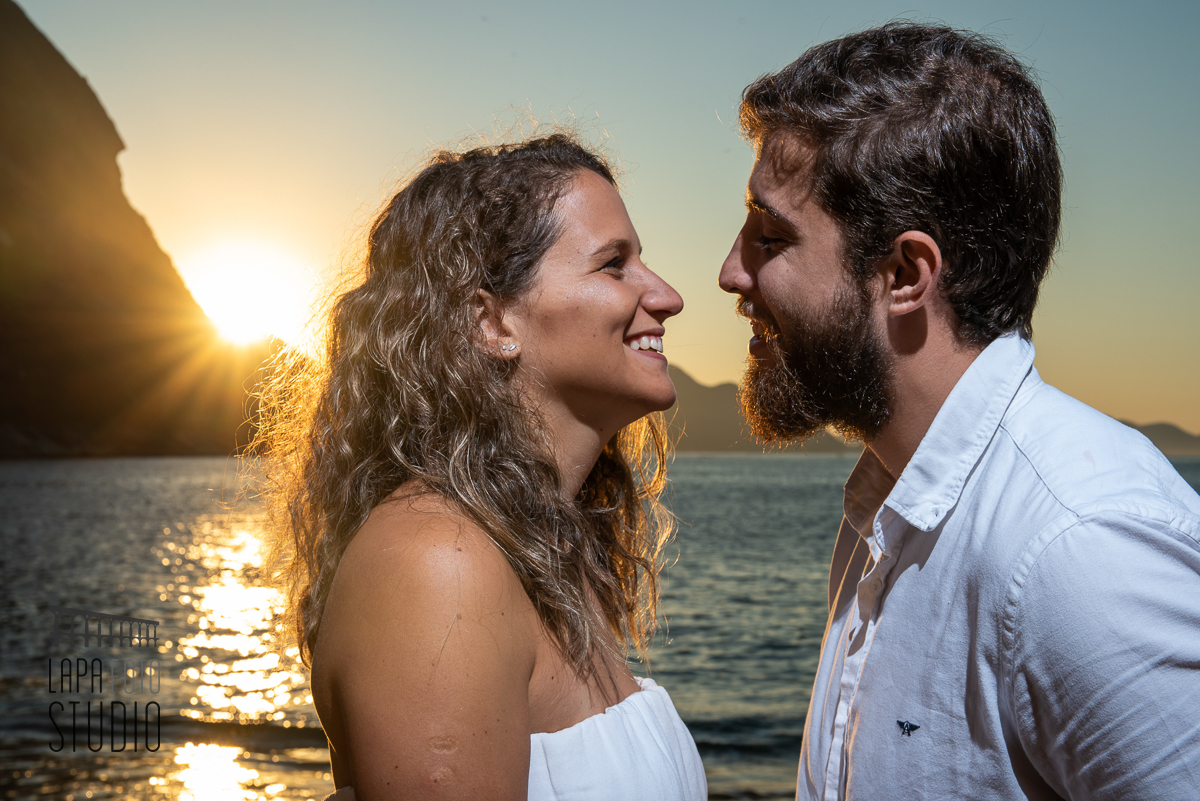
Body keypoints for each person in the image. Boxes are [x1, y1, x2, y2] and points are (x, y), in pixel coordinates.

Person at [718, 22, 1200, 800]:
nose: (730, 270)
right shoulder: (884, 508)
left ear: (906, 272)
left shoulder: (1078, 551)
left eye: (771, 235)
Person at [260, 133, 707, 800]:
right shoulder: (436, 561)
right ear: (491, 321)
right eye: (614, 265)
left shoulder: (545, 547)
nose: (667, 295)